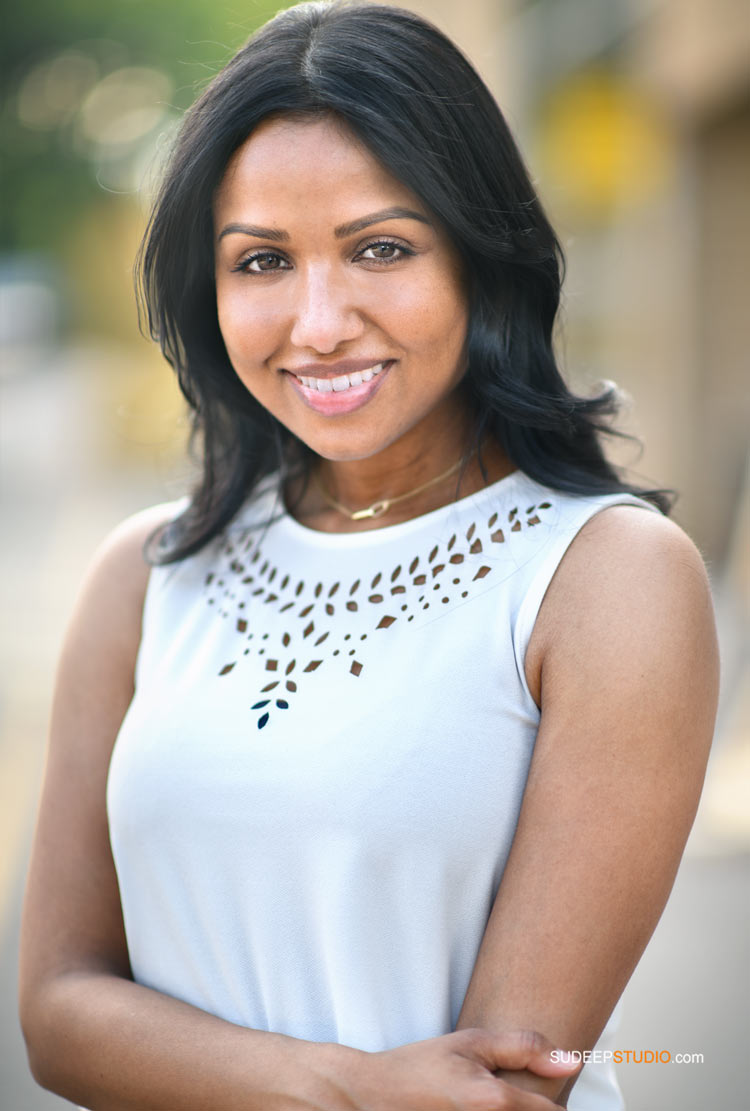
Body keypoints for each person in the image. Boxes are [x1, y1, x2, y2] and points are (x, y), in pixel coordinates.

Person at [19, 3, 719, 1109]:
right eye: (262, 260)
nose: (319, 320)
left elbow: (496, 1089)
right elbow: (58, 1010)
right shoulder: (144, 576)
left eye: (380, 248)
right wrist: (346, 1085)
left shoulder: (603, 580)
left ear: (482, 259)